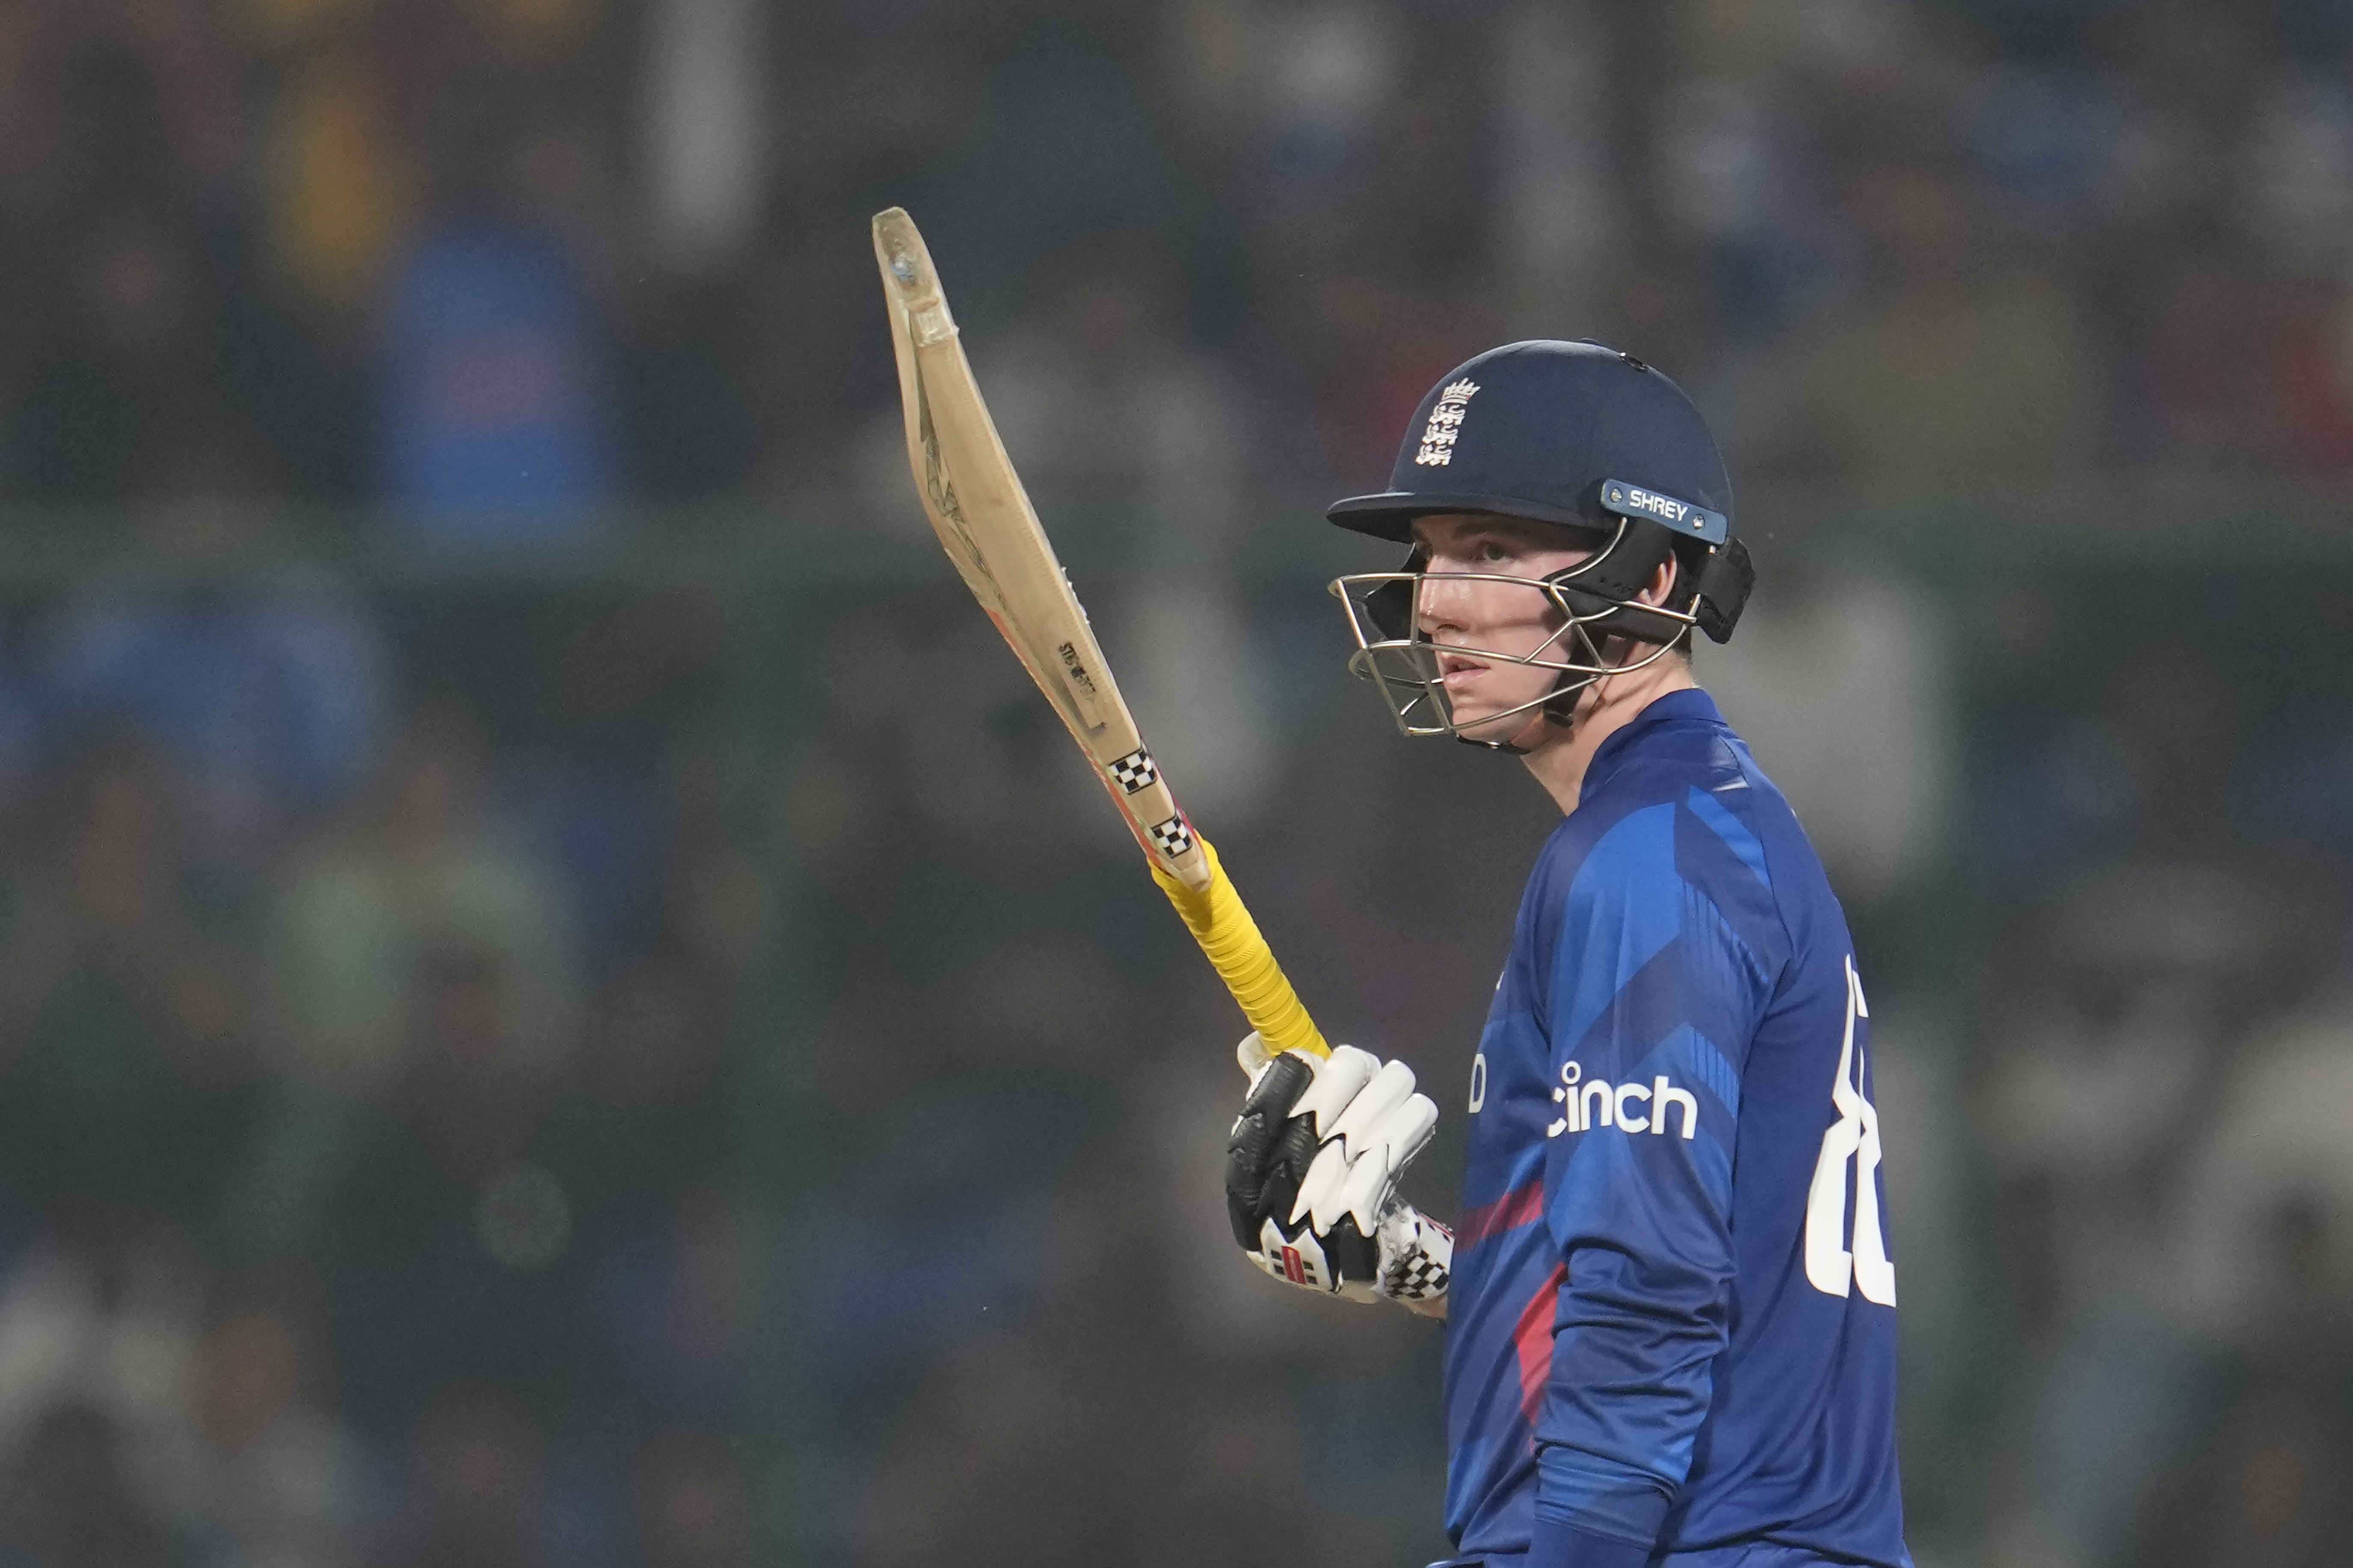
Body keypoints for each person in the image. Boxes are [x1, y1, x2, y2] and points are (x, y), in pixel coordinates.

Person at [1223, 341, 1909, 1568]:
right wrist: (1421, 1263)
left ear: (1653, 574)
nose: (1435, 600)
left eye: (1491, 550)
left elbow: (1648, 1308)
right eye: (1430, 554)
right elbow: (1704, 1276)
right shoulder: (1693, 825)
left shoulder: (1649, 855)